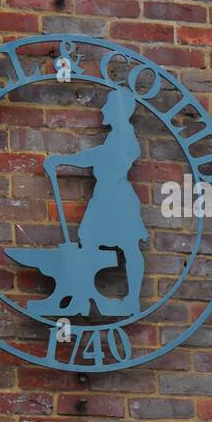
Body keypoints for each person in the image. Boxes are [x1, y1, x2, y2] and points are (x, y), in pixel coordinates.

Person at [41, 89, 147, 317]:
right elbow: (98, 157)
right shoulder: (116, 136)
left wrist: (65, 161)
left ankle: (130, 301)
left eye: (109, 106)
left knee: (127, 246)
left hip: (117, 199)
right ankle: (82, 296)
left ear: (119, 112)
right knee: (90, 240)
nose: (104, 110)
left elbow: (105, 159)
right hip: (106, 196)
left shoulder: (125, 136)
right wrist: (64, 161)